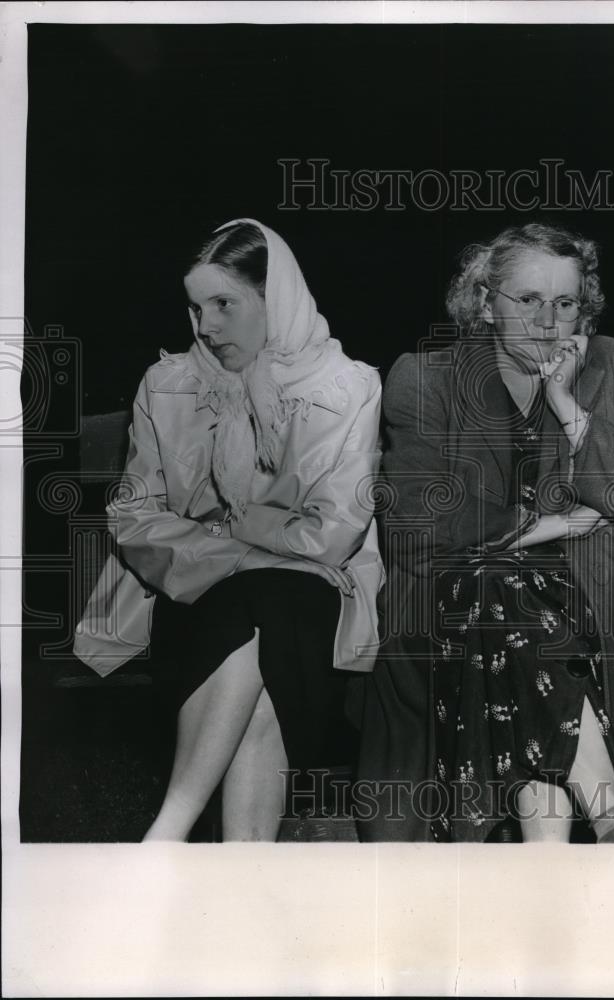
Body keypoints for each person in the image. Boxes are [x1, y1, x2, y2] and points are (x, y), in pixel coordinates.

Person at [354, 222, 614, 843]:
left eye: (564, 303)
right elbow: (419, 520)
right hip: (450, 603)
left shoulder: (611, 365)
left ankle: (547, 861)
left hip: (590, 593)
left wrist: (571, 411)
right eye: (527, 300)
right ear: (485, 303)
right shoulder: (425, 379)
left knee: (506, 604)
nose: (547, 320)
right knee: (499, 594)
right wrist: (554, 524)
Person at [75, 219, 383, 841]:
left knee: (270, 609)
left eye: (224, 304)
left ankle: (167, 833)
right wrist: (238, 556)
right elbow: (137, 514)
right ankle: (238, 863)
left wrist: (239, 525)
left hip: (316, 599)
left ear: (278, 299)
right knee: (258, 610)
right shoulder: (166, 385)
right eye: (194, 309)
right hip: (191, 591)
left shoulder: (347, 387)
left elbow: (333, 533)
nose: (205, 327)